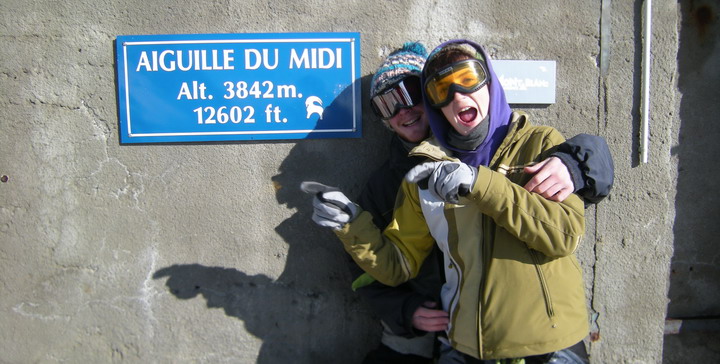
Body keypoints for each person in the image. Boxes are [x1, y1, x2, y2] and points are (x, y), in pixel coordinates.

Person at [317, 41, 613, 363]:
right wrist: (351, 225)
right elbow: (397, 261)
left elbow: (565, 235)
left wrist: (482, 183)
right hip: (462, 340)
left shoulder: (539, 146)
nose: (457, 95)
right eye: (389, 104)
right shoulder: (421, 175)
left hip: (547, 345)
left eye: (468, 80)